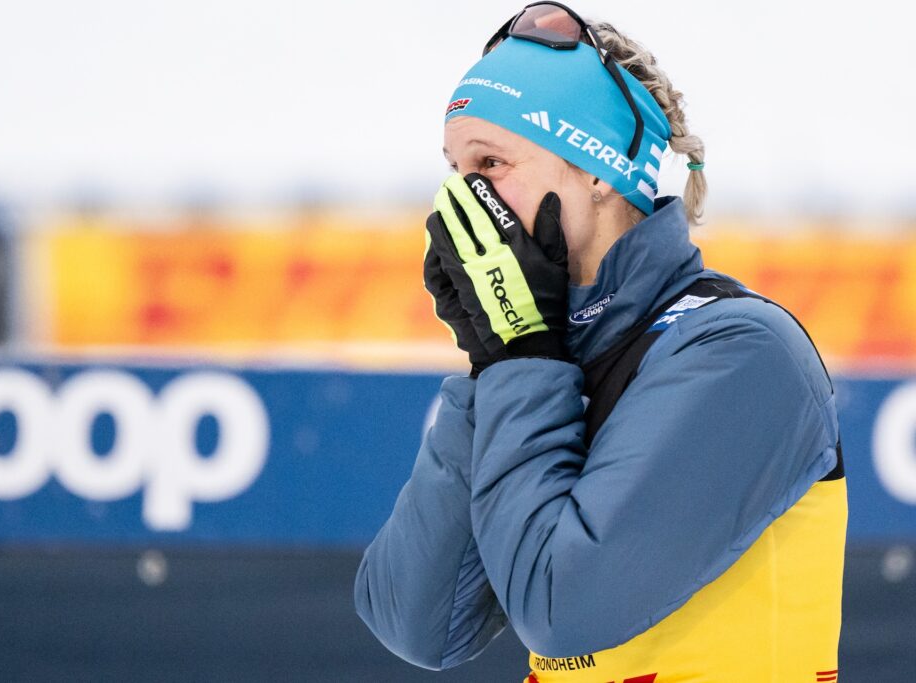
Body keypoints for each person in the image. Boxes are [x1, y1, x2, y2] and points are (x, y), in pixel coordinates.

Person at [354, 3, 847, 682]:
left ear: (596, 170)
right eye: (454, 169)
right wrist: (492, 361)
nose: (462, 199)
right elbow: (417, 622)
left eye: (491, 162)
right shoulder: (551, 362)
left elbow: (562, 607)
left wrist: (523, 354)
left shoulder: (740, 350)